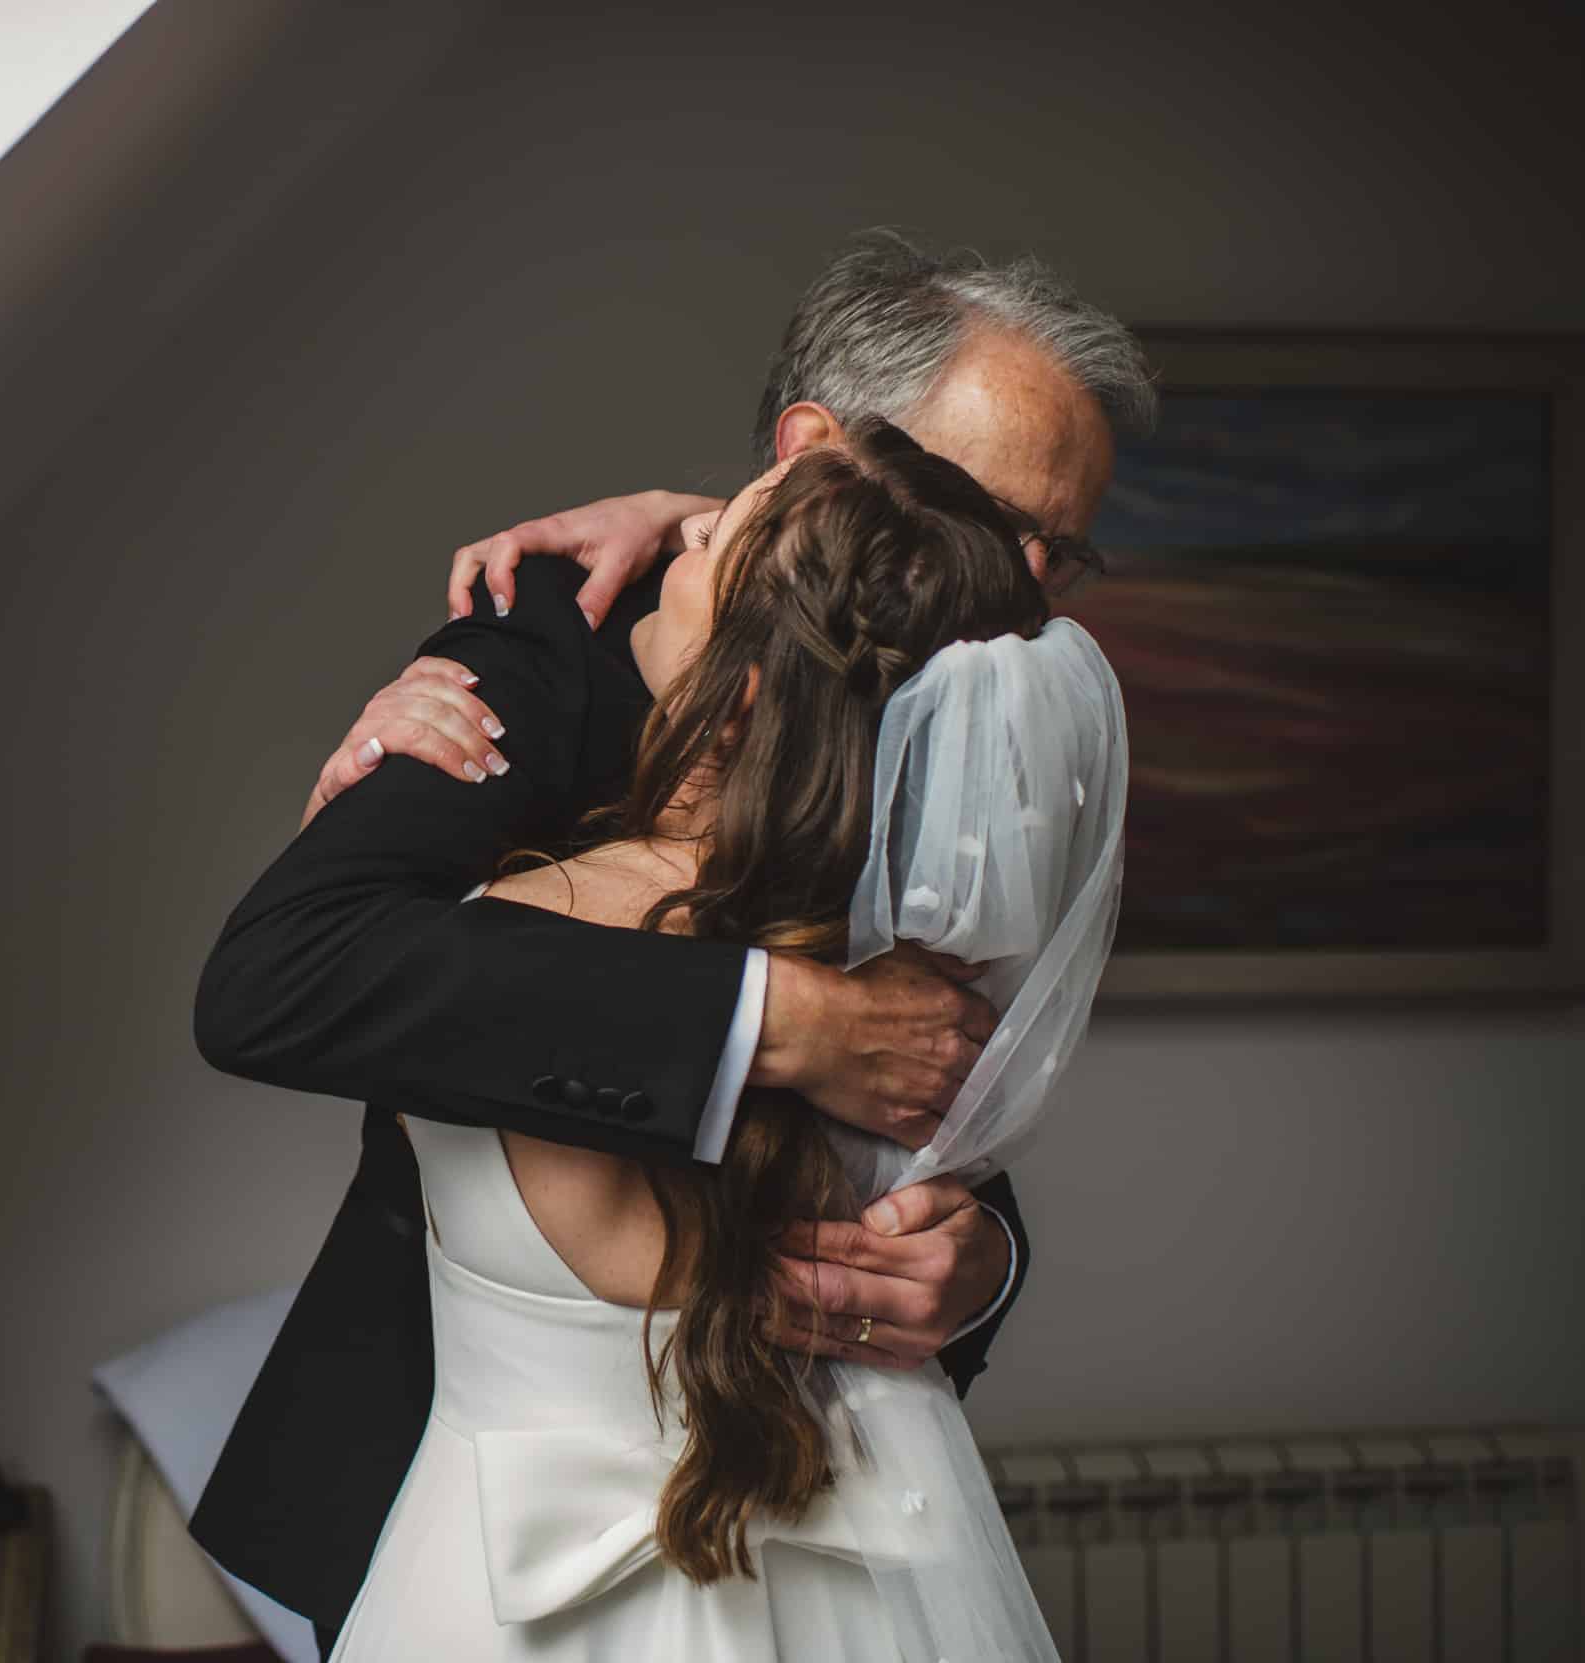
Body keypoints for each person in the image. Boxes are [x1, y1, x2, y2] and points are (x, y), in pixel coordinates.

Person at [191, 233, 1155, 1654]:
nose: (1012, 585)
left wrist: (975, 1261)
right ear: (814, 451)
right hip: (475, 1489)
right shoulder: (550, 637)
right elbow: (283, 981)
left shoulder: (979, 731)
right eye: (986, 514)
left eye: (1057, 553)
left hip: (819, 1491)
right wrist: (788, 1017)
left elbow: (952, 1083)